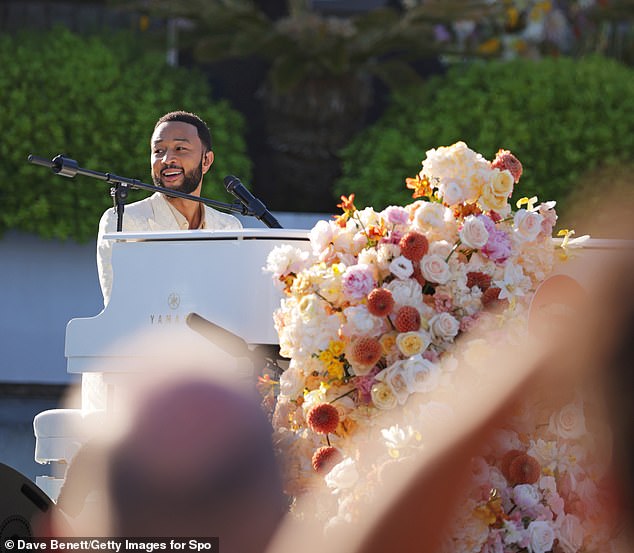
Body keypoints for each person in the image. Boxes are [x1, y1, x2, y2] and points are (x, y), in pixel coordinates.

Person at [97, 110, 243, 305]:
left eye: (180, 148)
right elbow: (119, 308)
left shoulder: (230, 227)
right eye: (158, 151)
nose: (167, 159)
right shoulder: (122, 221)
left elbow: (233, 303)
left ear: (206, 161)